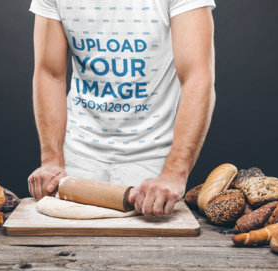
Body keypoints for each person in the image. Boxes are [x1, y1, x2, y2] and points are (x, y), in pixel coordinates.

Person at [27, 0, 216, 218]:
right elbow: (50, 73)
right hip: (76, 162)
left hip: (153, 164)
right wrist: (51, 161)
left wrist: (175, 173)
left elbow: (197, 77)